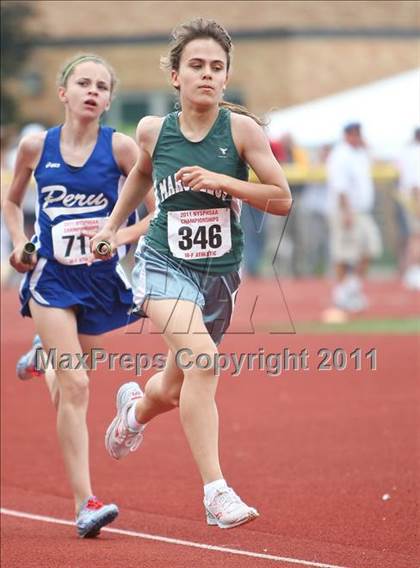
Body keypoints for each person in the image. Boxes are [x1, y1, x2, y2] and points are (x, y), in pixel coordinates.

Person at [91, 18, 292, 529]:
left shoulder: (242, 131)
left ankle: (134, 411)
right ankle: (216, 493)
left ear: (226, 79)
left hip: (218, 278)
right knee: (203, 362)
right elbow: (140, 174)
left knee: (177, 387)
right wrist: (114, 229)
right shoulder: (153, 130)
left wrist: (224, 180)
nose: (207, 74)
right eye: (196, 66)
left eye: (216, 67)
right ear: (176, 76)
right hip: (162, 263)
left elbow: (282, 198)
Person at [2, 53, 154, 537]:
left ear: (109, 99)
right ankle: (85, 503)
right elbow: (11, 200)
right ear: (63, 92)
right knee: (79, 387)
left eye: (102, 86)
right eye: (83, 83)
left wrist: (119, 236)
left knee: (68, 377)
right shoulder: (35, 146)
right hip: (50, 278)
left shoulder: (122, 150)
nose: (93, 91)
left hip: (101, 280)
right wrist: (19, 245)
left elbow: (157, 213)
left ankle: (45, 352)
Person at [326, 122, 382, 312]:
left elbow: (376, 160)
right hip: (347, 211)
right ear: (347, 135)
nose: (358, 137)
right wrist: (347, 212)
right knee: (345, 254)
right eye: (355, 134)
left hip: (363, 211)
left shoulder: (360, 154)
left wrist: (367, 147)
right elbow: (340, 186)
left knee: (370, 249)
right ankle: (342, 293)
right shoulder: (340, 155)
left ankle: (351, 289)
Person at [395, 127, 420, 290]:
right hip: (414, 199)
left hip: (407, 198)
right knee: (416, 237)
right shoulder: (415, 153)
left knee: (410, 237)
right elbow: (415, 183)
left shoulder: (407, 151)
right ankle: (413, 272)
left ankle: (406, 271)